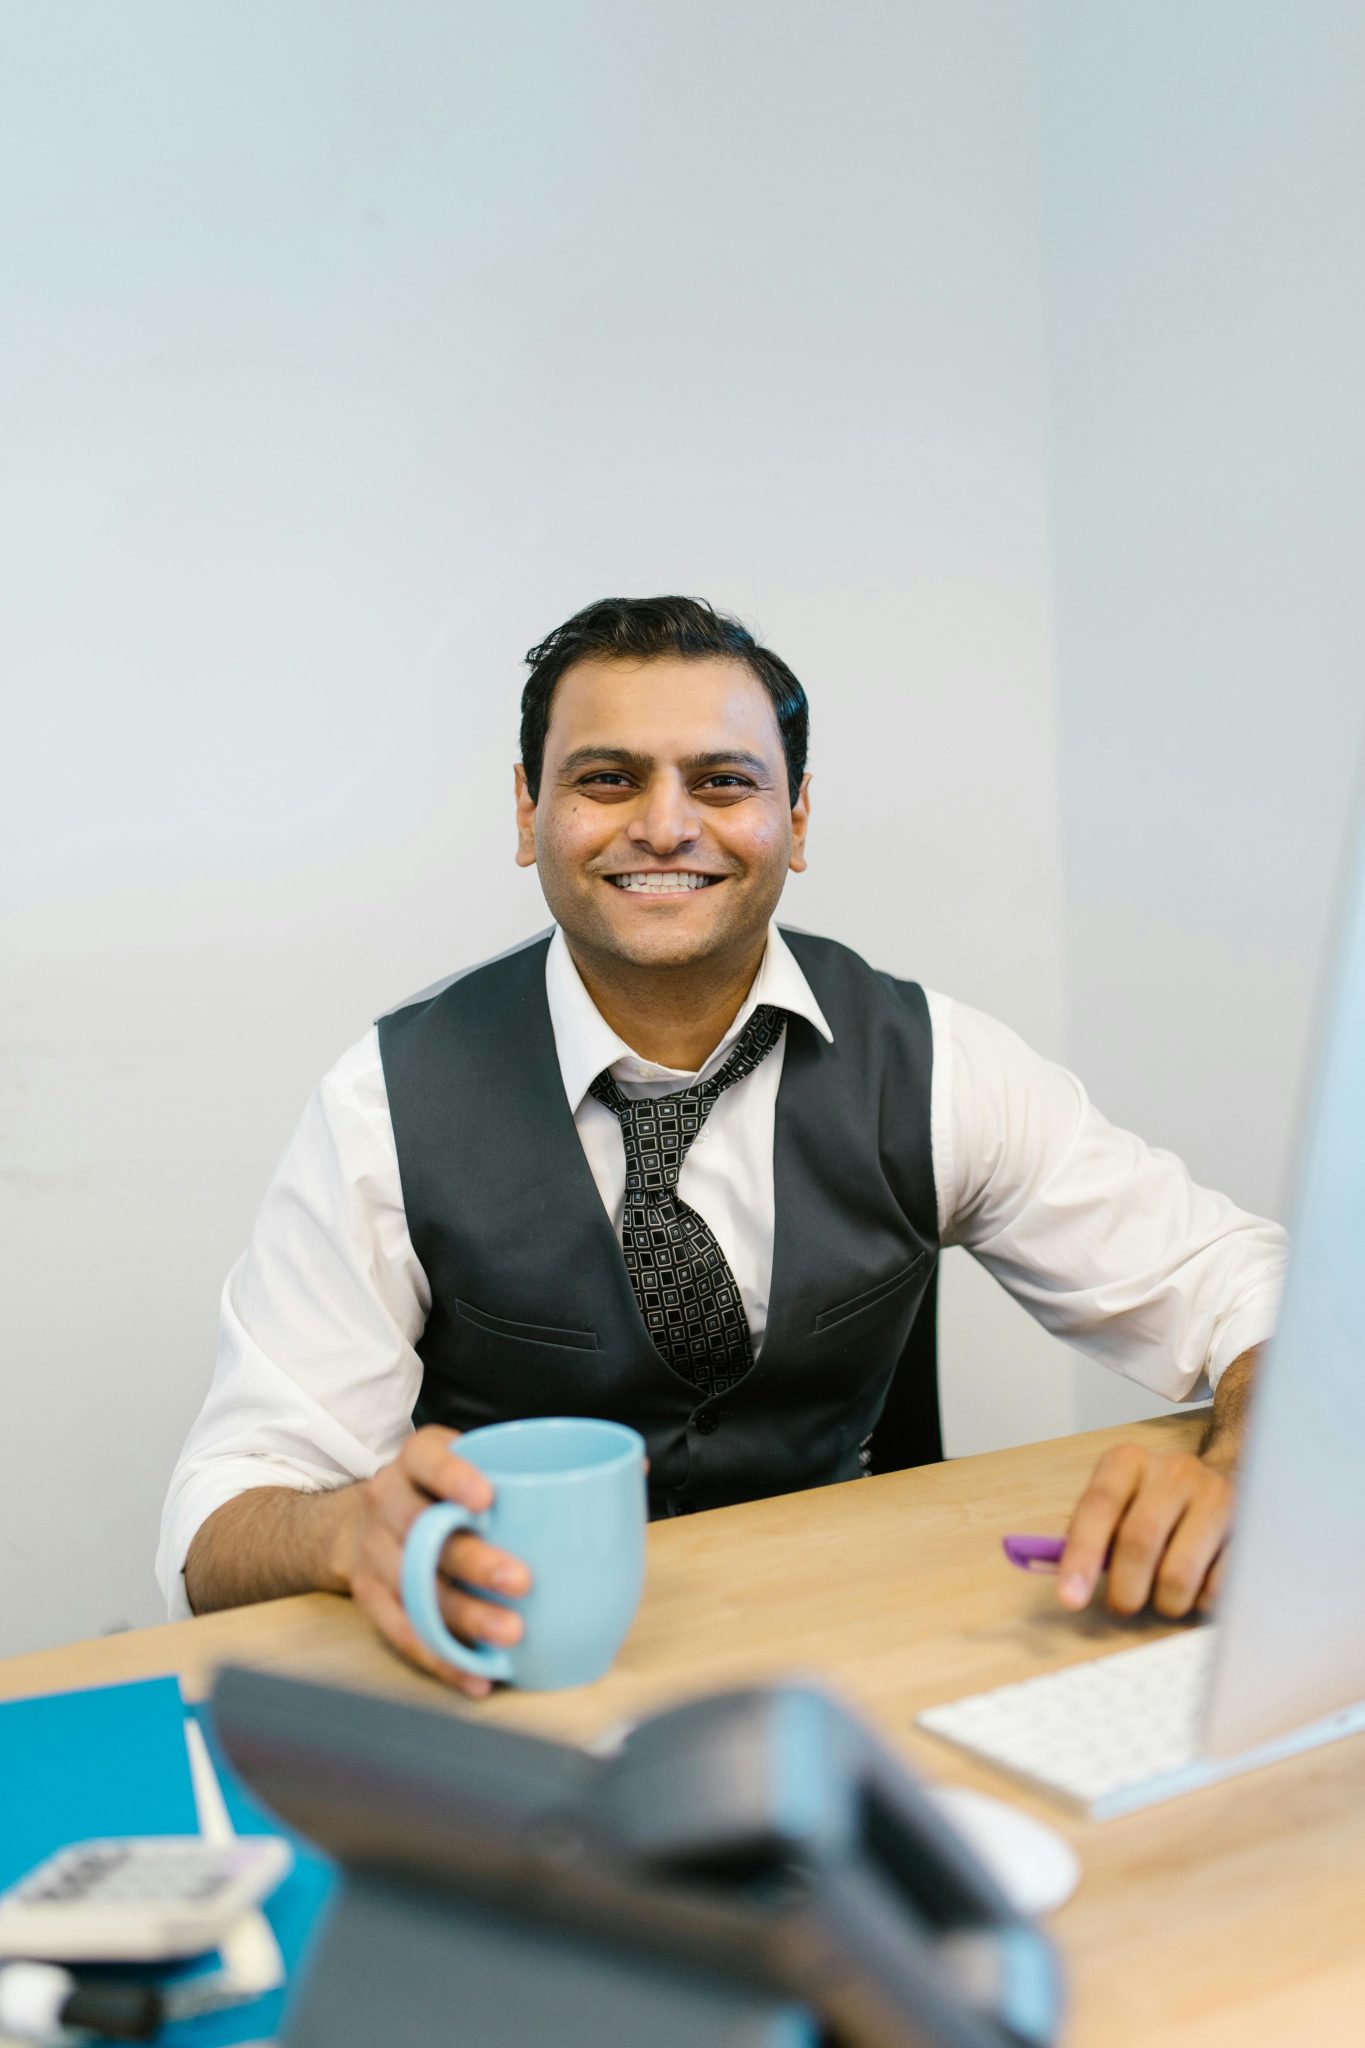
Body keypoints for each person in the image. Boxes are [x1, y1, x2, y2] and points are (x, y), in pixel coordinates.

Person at [158, 596, 1284, 1697]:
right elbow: (224, 1517)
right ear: (525, 812)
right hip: (522, 1678)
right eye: (607, 778)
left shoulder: (937, 1062)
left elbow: (1255, 1288)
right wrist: (343, 1531)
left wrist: (1246, 1470)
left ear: (794, 821)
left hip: (853, 1660)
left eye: (722, 781)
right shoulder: (384, 1103)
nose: (663, 823)